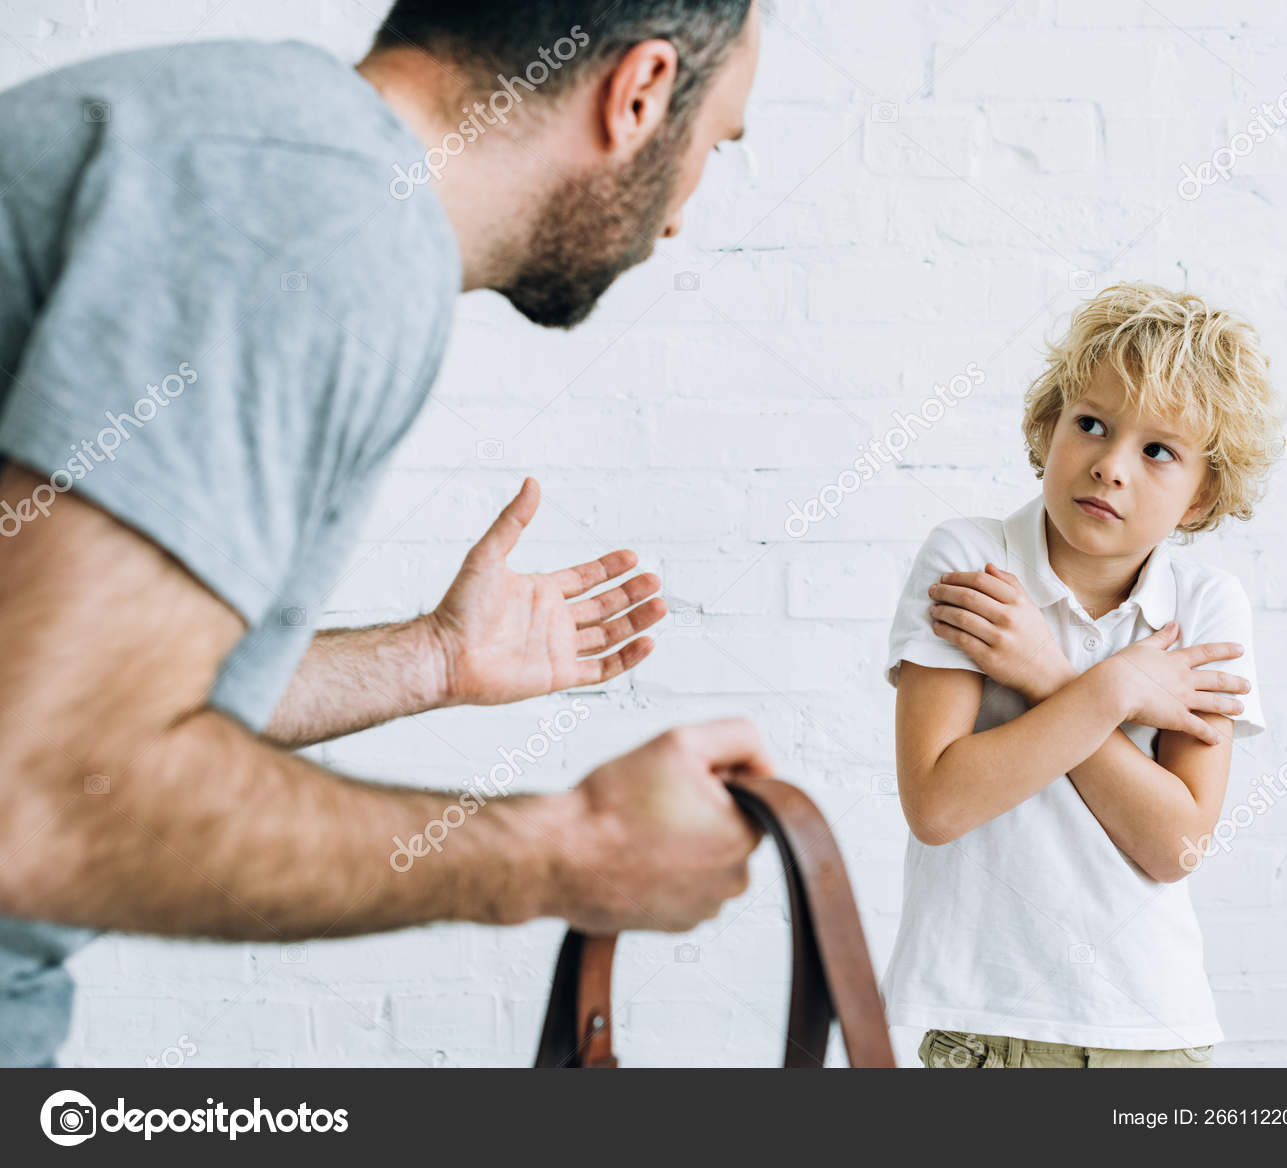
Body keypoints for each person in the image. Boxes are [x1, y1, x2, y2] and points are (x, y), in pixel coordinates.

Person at [0, 0, 763, 1069]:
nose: (679, 216)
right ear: (638, 93)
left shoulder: (268, 143)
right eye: (711, 145)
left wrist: (430, 660)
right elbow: (43, 796)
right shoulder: (327, 213)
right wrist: (566, 850)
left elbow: (57, 694)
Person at [881, 282, 1285, 1068]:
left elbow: (1176, 847)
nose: (1109, 466)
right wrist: (1113, 688)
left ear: (1202, 497)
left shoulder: (1205, 608)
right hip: (985, 1029)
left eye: (1157, 450)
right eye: (1091, 424)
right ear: (1049, 426)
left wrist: (1047, 674)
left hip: (1153, 1030)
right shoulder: (972, 562)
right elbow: (938, 803)